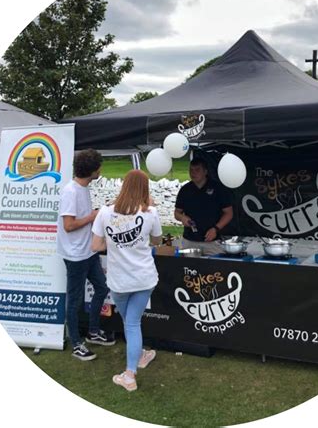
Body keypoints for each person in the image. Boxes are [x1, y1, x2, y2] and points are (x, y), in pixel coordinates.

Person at [92, 170, 162, 392]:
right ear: (145, 188)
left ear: (123, 186)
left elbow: (96, 246)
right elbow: (158, 240)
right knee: (131, 323)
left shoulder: (105, 212)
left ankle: (131, 371)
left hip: (119, 280)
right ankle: (136, 361)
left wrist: (114, 246)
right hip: (144, 278)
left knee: (130, 323)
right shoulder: (150, 213)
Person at [57, 149, 115, 362]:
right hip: (74, 255)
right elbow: (69, 225)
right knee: (75, 300)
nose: (101, 170)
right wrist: (93, 216)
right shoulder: (71, 191)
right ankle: (76, 344)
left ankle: (92, 332)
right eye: (99, 166)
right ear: (92, 170)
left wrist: (97, 214)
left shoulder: (83, 189)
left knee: (101, 287)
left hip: (87, 250)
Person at [174, 157, 233, 256]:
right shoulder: (185, 190)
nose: (193, 173)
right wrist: (182, 217)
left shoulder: (217, 188)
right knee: (189, 270)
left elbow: (229, 213)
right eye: (191, 170)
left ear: (205, 171)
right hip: (190, 240)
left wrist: (216, 228)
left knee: (215, 270)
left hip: (212, 242)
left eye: (197, 170)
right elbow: (177, 213)